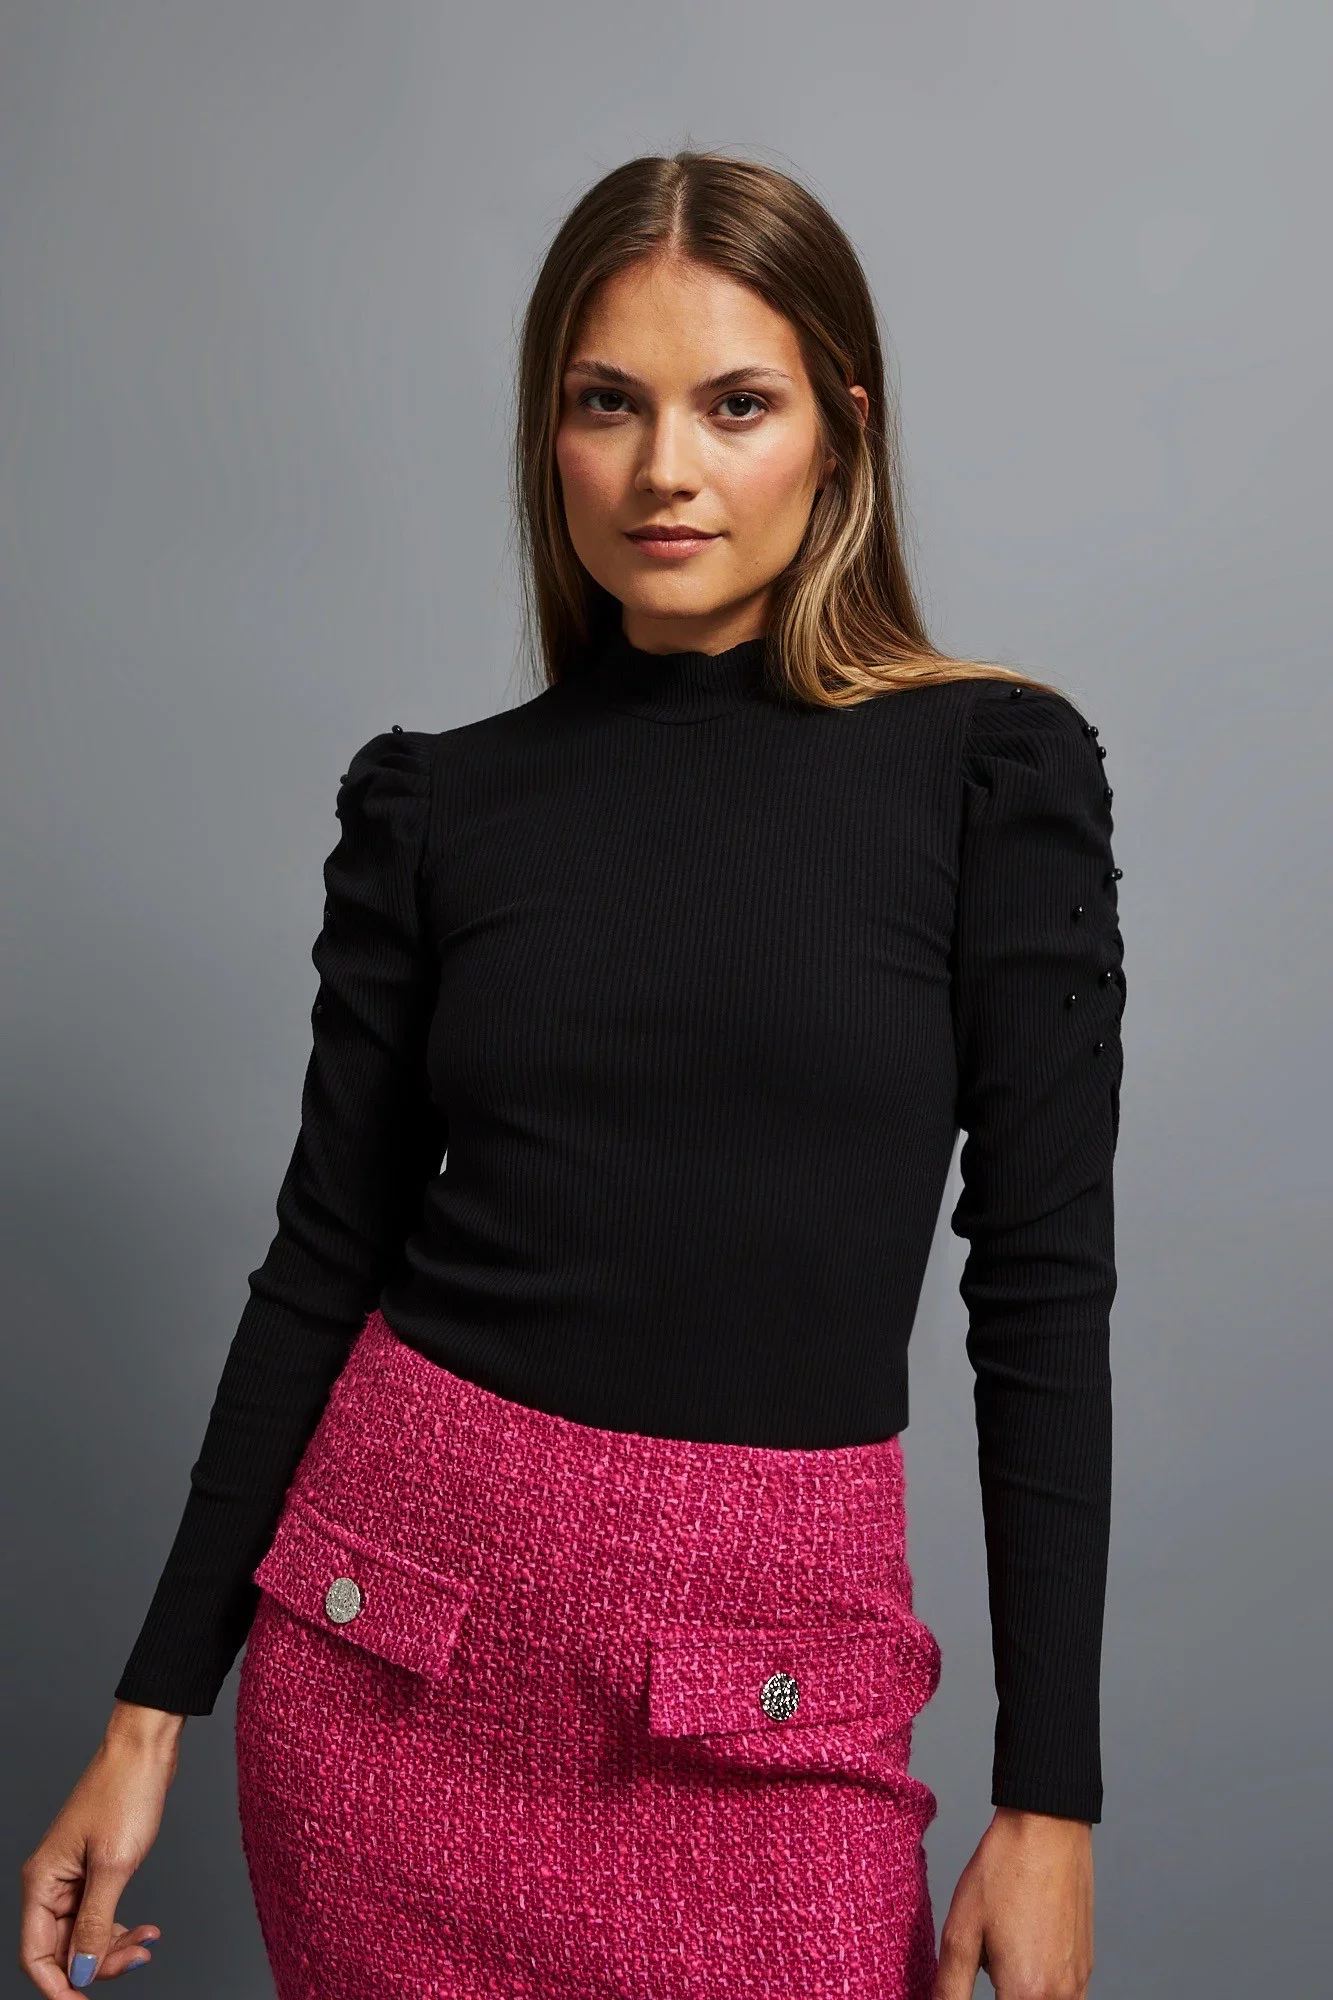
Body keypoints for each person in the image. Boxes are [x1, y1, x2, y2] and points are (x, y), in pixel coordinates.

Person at [20, 151, 1125, 2000]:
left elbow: (1042, 1290)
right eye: (609, 404)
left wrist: (1051, 1800)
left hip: (768, 1696)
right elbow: (323, 1258)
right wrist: (149, 1714)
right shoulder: (440, 805)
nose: (666, 467)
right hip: (388, 1656)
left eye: (736, 404)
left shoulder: (994, 777)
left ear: (843, 434)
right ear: (552, 438)